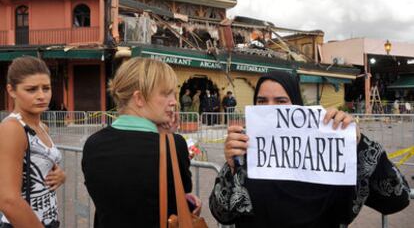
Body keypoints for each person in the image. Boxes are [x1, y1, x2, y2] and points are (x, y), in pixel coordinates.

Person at [209, 70, 410, 228]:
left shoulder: (329, 153)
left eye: (281, 101)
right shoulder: (246, 154)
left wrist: (358, 143)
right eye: (262, 101)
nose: (270, 108)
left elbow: (397, 198)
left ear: (296, 104)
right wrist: (231, 166)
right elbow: (221, 214)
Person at [82, 58, 201, 227]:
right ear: (139, 98)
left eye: (174, 94)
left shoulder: (92, 144)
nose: (174, 101)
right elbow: (180, 195)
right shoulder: (173, 145)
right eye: (166, 93)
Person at [0, 56, 66, 228]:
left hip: (47, 219)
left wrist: (60, 175)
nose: (41, 96)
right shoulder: (13, 128)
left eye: (46, 88)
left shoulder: (42, 126)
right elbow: (8, 199)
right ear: (11, 90)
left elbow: (39, 164)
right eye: (31, 89)